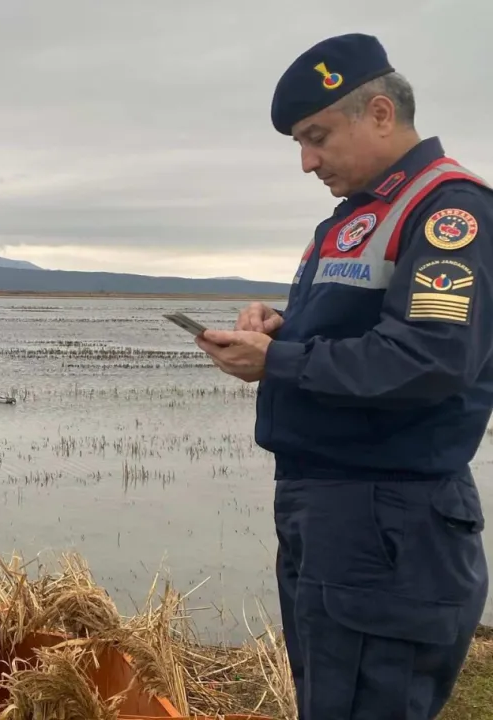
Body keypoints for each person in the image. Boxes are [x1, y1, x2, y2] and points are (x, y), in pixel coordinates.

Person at [196, 33, 491, 719]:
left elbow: (431, 358)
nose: (306, 161)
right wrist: (282, 328)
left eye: (317, 137)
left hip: (387, 522)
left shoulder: (448, 211)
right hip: (332, 512)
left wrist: (277, 361)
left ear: (380, 113)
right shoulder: (358, 216)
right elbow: (362, 333)